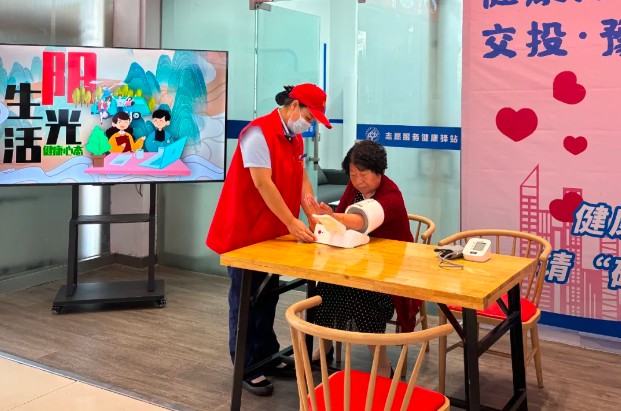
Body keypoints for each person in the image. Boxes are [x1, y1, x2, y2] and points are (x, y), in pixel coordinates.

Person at [206, 84, 332, 396]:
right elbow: (263, 183)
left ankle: (266, 355)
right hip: (245, 231)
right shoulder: (257, 133)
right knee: (245, 299)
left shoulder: (294, 137)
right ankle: (247, 366)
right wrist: (291, 221)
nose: (309, 125)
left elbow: (301, 176)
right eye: (309, 118)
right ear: (294, 106)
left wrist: (310, 211)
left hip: (271, 234)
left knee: (267, 296)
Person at [305, 140, 420, 378]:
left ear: (379, 171)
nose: (357, 180)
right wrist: (327, 220)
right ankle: (325, 344)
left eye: (363, 174)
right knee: (326, 287)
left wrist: (334, 216)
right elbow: (342, 221)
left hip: (390, 269)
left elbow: (360, 220)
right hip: (355, 263)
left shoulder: (391, 195)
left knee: (364, 298)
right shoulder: (354, 188)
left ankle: (381, 362)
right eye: (353, 174)